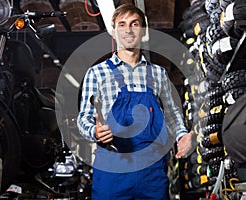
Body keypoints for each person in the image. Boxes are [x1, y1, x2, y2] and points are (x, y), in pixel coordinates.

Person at [77, 3, 194, 199]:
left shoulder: (158, 74)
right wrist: (94, 131)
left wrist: (182, 135)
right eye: (121, 24)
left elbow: (172, 114)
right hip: (112, 168)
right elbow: (84, 118)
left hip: (152, 170)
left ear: (143, 30)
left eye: (134, 24)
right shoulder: (97, 73)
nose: (128, 30)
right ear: (113, 32)